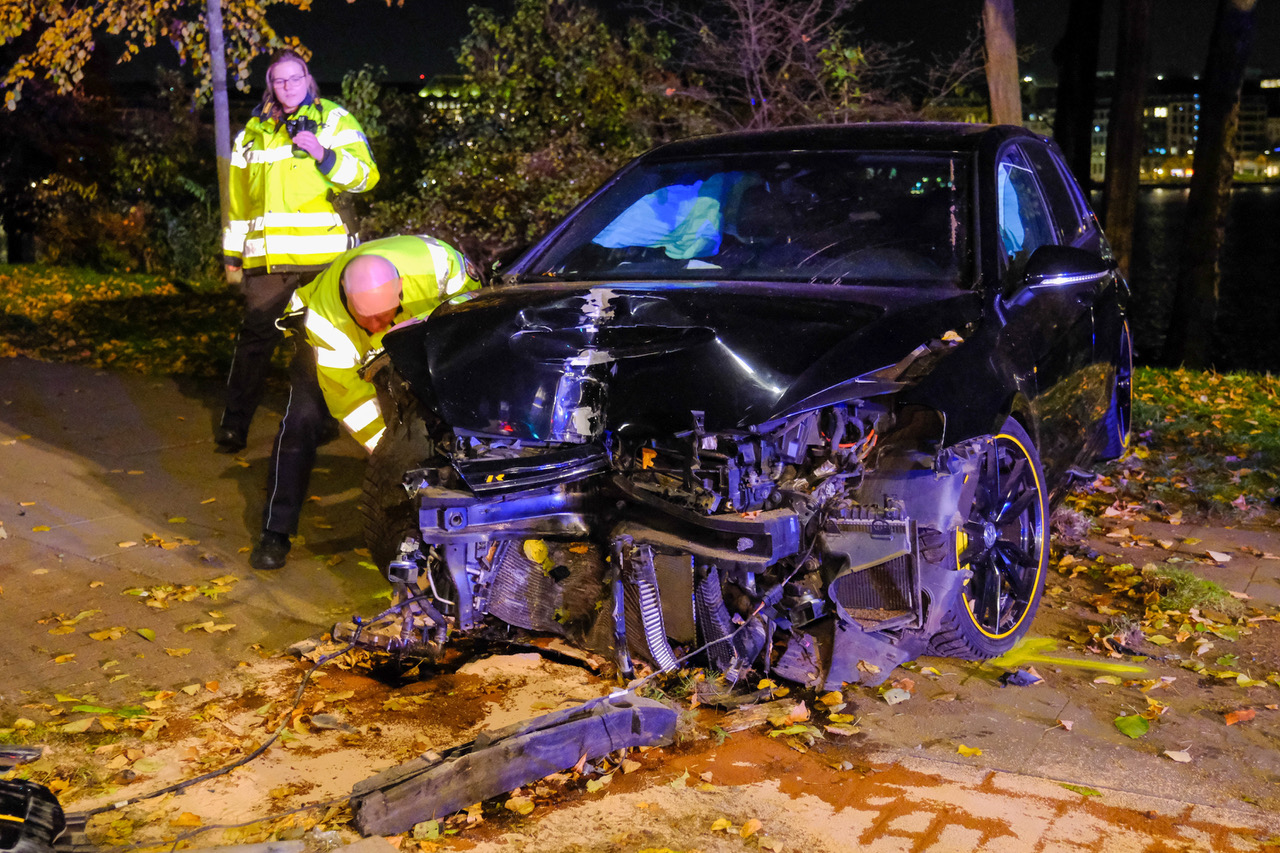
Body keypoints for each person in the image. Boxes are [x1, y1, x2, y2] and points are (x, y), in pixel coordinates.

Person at [250, 234, 482, 570]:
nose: (377, 326)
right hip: (336, 357)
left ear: (401, 287)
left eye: (384, 316)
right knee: (302, 421)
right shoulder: (326, 324)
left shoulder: (439, 266)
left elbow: (472, 313)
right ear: (347, 299)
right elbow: (353, 404)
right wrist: (393, 457)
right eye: (367, 320)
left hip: (410, 340)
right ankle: (275, 531)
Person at [216, 49, 380, 454]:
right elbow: (238, 201)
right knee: (254, 342)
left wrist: (325, 156)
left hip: (322, 258)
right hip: (268, 261)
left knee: (316, 344)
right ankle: (234, 425)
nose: (288, 87)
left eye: (295, 78)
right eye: (279, 80)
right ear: (270, 84)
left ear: (308, 78)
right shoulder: (251, 133)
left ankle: (318, 422)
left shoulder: (335, 120)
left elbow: (367, 176)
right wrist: (232, 256)